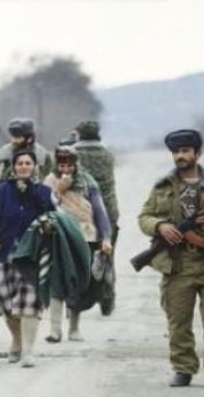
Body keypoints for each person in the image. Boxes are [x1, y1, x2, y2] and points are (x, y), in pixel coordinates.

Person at [137, 129, 204, 388]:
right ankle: (183, 368)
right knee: (178, 321)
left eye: (186, 151)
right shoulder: (163, 186)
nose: (180, 156)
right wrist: (160, 226)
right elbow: (144, 217)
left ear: (198, 153)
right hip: (177, 264)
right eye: (176, 152)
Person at [0, 150, 56, 368]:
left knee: (30, 303)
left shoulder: (45, 193)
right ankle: (17, 340)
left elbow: (57, 217)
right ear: (14, 167)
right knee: (7, 304)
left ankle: (29, 351)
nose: (24, 166)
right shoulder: (1, 192)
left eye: (28, 163)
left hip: (33, 257)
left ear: (35, 166)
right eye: (20, 163)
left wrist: (50, 227)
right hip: (3, 255)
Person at [42, 146, 113, 343]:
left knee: (79, 283)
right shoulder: (50, 181)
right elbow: (42, 206)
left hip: (85, 236)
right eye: (62, 165)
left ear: (76, 164)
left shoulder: (87, 181)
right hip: (58, 236)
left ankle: (74, 327)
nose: (65, 169)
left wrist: (105, 237)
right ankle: (55, 330)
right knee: (56, 282)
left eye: (69, 165)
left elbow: (99, 211)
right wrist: (59, 189)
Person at [74, 119, 120, 315]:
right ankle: (107, 294)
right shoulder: (108, 155)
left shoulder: (74, 155)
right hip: (109, 210)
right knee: (107, 254)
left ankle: (79, 297)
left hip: (82, 211)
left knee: (80, 256)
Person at [0, 117, 54, 190]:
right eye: (13, 137)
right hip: (7, 196)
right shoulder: (4, 154)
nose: (13, 141)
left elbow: (50, 181)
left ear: (29, 139)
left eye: (18, 137)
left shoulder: (42, 156)